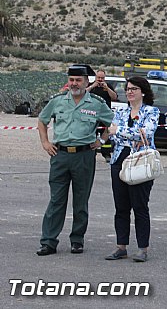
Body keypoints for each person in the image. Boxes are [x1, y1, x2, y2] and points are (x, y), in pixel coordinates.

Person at [36, 64, 113, 256]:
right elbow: (42, 120)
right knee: (56, 200)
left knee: (81, 201)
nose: (74, 83)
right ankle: (48, 242)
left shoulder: (96, 103)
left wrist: (101, 141)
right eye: (71, 80)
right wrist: (45, 142)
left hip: (84, 156)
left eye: (78, 80)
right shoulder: (58, 101)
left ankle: (77, 240)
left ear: (87, 82)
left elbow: (113, 124)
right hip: (60, 155)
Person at [104, 76, 159, 262]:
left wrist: (119, 131)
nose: (129, 92)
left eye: (133, 88)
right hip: (119, 160)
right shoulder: (120, 111)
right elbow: (114, 136)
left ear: (142, 91)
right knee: (121, 207)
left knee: (140, 206)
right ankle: (121, 246)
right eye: (127, 89)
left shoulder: (152, 111)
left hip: (141, 162)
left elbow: (145, 133)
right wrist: (128, 133)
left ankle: (143, 248)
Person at [88, 68, 118, 162]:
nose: (100, 80)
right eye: (98, 78)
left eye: (102, 78)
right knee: (92, 135)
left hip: (104, 116)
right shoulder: (90, 86)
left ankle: (106, 154)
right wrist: (93, 86)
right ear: (95, 77)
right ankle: (91, 152)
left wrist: (107, 88)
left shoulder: (108, 86)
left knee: (106, 136)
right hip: (92, 115)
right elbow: (83, 94)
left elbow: (114, 97)